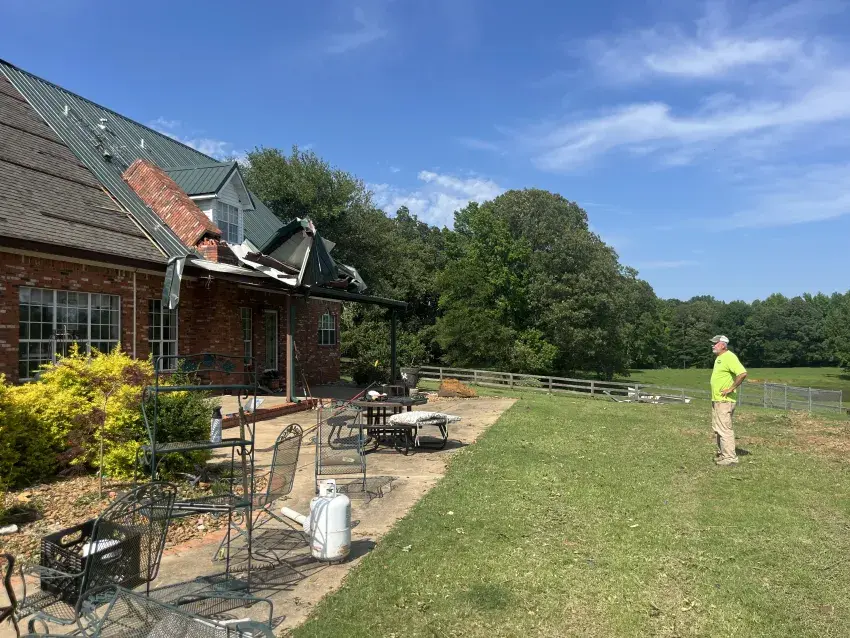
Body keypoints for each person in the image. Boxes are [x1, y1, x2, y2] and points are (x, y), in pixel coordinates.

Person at [710, 335, 747, 466]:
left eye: (715, 343)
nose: (713, 345)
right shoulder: (719, 358)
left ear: (723, 345)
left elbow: (742, 373)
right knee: (718, 428)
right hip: (717, 400)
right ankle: (723, 454)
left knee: (725, 429)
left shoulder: (729, 357)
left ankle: (730, 458)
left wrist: (731, 388)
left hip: (725, 401)